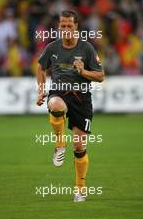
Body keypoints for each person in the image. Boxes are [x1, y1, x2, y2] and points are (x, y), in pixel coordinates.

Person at [36, 10, 104, 202]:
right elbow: (40, 67)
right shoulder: (52, 48)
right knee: (55, 105)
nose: (65, 29)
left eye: (69, 26)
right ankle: (59, 143)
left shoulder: (87, 49)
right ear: (59, 27)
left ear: (76, 27)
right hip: (60, 93)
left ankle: (80, 189)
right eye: (62, 26)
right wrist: (41, 90)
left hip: (82, 100)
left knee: (80, 146)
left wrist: (84, 72)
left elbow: (100, 76)